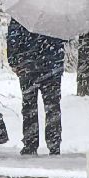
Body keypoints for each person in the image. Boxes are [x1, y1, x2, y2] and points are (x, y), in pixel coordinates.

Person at [7, 19, 64, 155]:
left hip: (28, 66)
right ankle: (54, 142)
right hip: (51, 67)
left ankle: (30, 142)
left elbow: (13, 37)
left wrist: (14, 60)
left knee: (29, 106)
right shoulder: (56, 15)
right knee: (52, 106)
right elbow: (63, 39)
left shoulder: (22, 13)